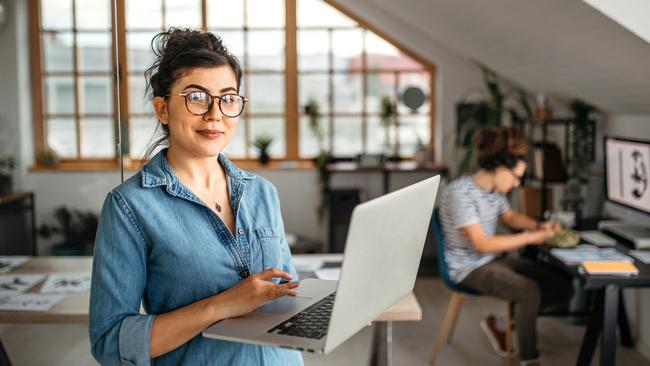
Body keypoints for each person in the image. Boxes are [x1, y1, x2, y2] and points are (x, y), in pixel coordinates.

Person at [89, 28, 303, 366]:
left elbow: (285, 290)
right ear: (162, 109)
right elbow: (110, 341)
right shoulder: (130, 207)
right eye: (196, 96)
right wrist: (221, 305)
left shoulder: (262, 193)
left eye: (228, 98)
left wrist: (328, 309)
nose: (215, 114)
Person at [438, 126, 573, 366]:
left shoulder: (493, 191)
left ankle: (502, 321)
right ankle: (529, 359)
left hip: (491, 261)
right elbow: (482, 244)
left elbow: (510, 218)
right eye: (516, 177)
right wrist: (531, 238)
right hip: (468, 269)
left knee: (563, 286)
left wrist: (540, 226)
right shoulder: (460, 193)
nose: (517, 183)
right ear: (501, 168)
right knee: (528, 291)